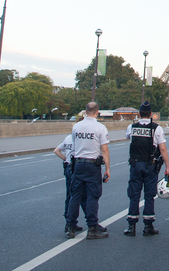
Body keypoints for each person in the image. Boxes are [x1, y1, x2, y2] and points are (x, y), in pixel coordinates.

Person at [124, 101, 169, 236]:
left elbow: (129, 137)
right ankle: (148, 226)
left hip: (135, 165)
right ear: (151, 114)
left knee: (134, 194)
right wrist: (167, 166)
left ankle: (131, 226)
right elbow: (162, 148)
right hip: (150, 165)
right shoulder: (157, 128)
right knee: (149, 195)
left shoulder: (131, 127)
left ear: (139, 114)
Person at [65, 102, 110, 240]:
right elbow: (104, 150)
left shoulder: (76, 127)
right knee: (92, 196)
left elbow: (74, 143)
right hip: (92, 166)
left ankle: (70, 227)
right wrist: (107, 168)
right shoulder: (100, 128)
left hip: (78, 164)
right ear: (97, 112)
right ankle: (92, 227)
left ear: (85, 112)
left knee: (75, 196)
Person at [54, 132, 86, 233]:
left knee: (69, 195)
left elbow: (57, 150)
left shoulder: (67, 138)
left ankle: (69, 222)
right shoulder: (80, 139)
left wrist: (65, 158)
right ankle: (88, 221)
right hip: (77, 167)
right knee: (81, 195)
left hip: (68, 166)